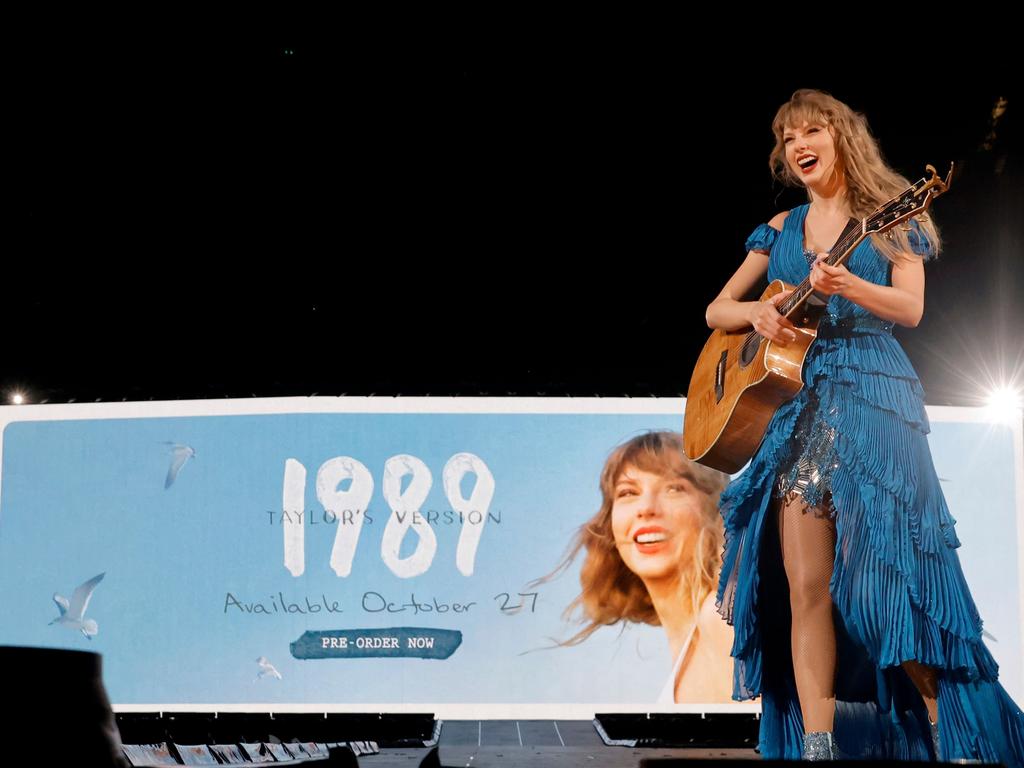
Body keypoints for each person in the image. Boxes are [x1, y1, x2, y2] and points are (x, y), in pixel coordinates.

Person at [705, 88, 1024, 761]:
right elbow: (716, 311)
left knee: (890, 579)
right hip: (796, 408)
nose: (798, 145)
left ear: (842, 138)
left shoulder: (892, 219)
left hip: (874, 398)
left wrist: (847, 286)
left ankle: (949, 733)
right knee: (804, 584)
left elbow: (909, 310)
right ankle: (818, 746)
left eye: (811, 130)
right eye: (788, 137)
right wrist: (758, 316)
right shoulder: (781, 228)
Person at [542, 431, 734, 703]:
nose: (646, 508)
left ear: (715, 510)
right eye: (628, 492)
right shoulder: (694, 643)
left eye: (674, 488)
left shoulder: (724, 620)